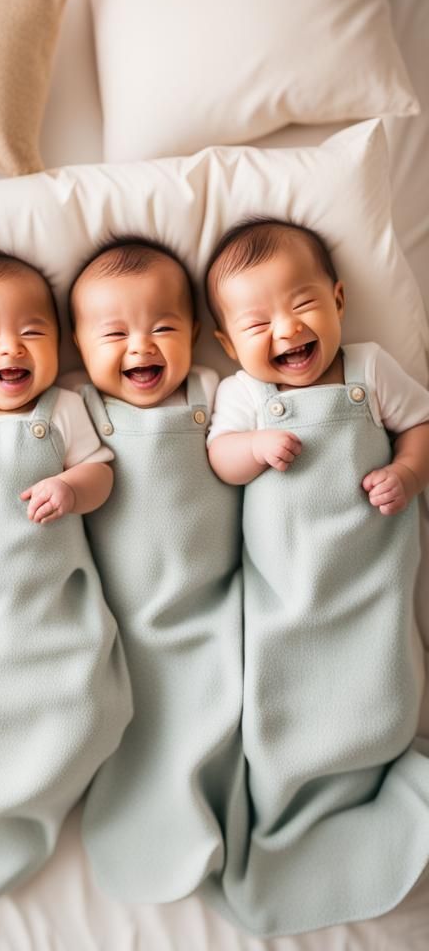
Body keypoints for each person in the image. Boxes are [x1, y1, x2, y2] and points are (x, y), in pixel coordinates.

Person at [204, 217, 429, 935]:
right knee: (278, 705)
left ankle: (371, 772)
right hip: (287, 596)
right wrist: (253, 447)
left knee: (384, 687)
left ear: (337, 300)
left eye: (301, 305)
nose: (285, 331)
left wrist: (405, 471)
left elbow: (422, 426)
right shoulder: (241, 396)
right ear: (228, 344)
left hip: (365, 583)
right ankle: (293, 809)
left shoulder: (368, 369)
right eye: (257, 321)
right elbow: (219, 460)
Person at [0, 251, 131, 902]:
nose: (11, 348)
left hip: (53, 610)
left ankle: (55, 787)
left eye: (32, 333)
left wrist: (71, 488)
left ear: (60, 344)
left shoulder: (64, 409)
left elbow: (102, 473)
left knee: (80, 704)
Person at [66, 237, 243, 904]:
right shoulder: (79, 409)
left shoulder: (214, 391)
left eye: (163, 327)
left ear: (197, 334)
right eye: (113, 333)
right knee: (136, 719)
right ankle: (147, 824)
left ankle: (219, 810)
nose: (141, 346)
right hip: (122, 613)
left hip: (210, 598)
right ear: (78, 347)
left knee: (218, 707)